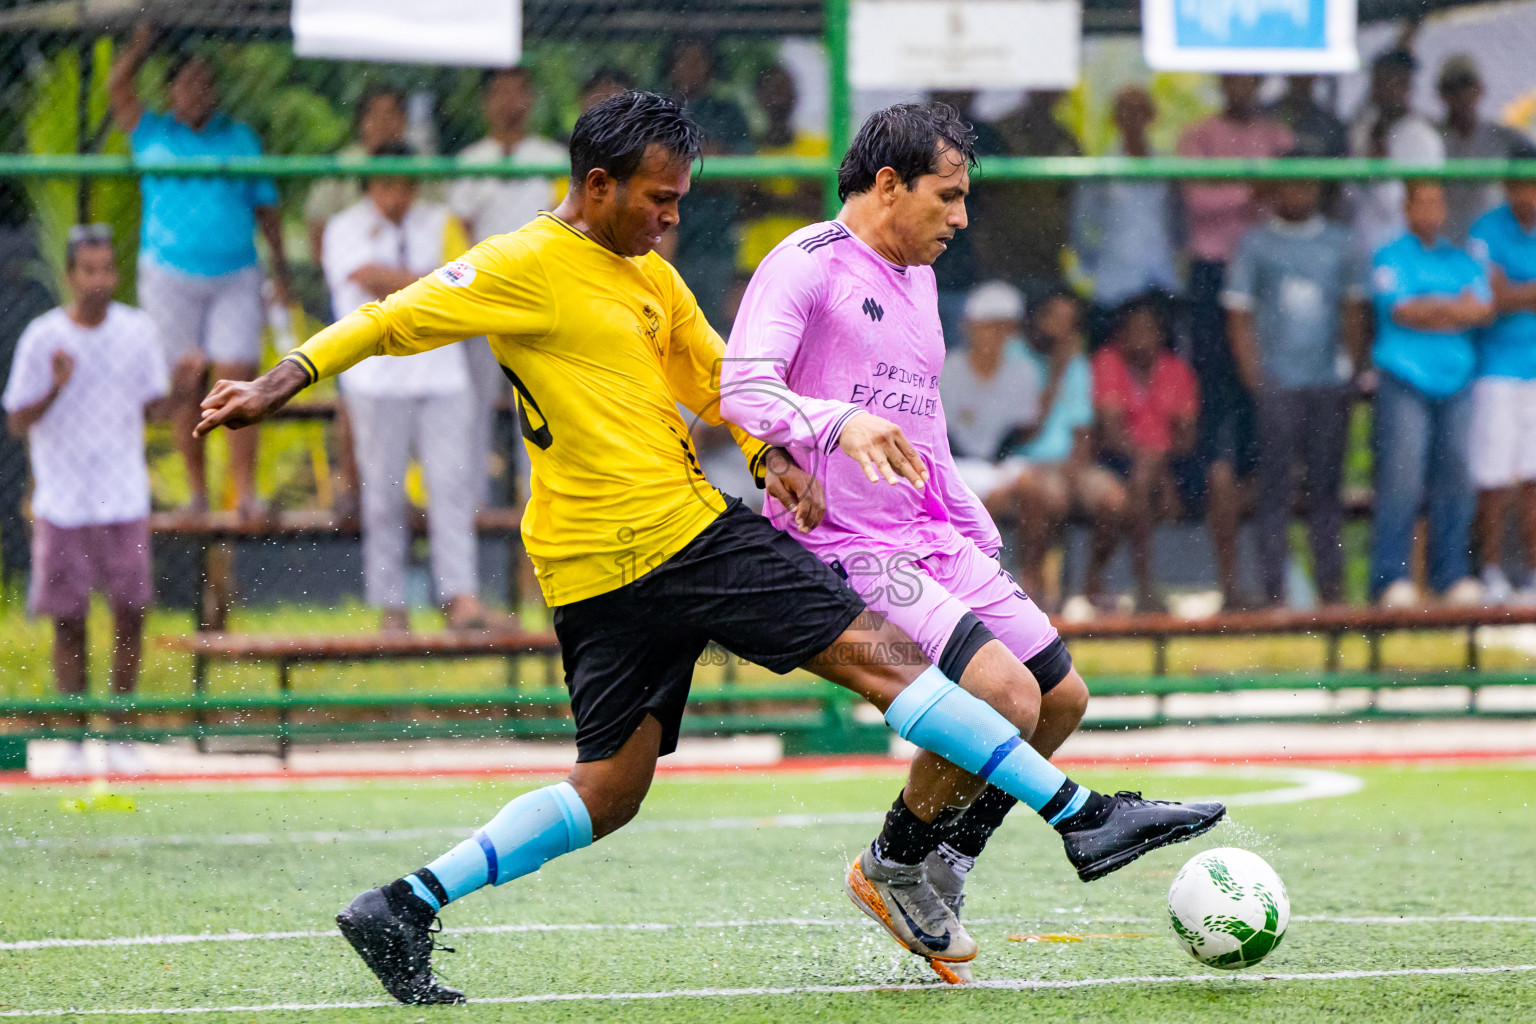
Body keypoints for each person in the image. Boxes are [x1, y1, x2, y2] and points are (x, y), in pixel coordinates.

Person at [195, 91, 1223, 1004]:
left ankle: (405, 903)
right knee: (889, 660)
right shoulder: (522, 264)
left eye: (679, 200)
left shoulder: (650, 275)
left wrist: (766, 452)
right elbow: (389, 317)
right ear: (594, 185)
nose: (672, 218)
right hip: (674, 534)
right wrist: (278, 379)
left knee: (611, 788)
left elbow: (715, 378)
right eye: (657, 198)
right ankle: (1082, 812)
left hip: (595, 564)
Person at [722, 102, 1221, 984]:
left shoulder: (917, 275)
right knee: (1006, 699)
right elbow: (745, 393)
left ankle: (944, 866)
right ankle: (889, 866)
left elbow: (923, 416)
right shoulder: (803, 264)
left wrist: (965, 521)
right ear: (887, 185)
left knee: (1061, 697)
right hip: (847, 539)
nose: (962, 218)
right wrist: (839, 425)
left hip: (929, 535)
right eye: (947, 197)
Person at [2, 226, 169, 777]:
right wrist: (54, 387)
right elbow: (17, 420)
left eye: (107, 269)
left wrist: (189, 387)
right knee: (68, 620)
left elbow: (155, 411)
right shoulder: (41, 338)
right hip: (63, 500)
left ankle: (120, 732)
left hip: (123, 495)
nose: (99, 281)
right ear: (71, 275)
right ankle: (73, 736)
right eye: (88, 270)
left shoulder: (138, 331)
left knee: (131, 613)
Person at [107, 22, 290, 521]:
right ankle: (196, 496)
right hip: (169, 273)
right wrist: (143, 40)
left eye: (205, 82)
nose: (197, 91)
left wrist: (281, 268)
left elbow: (267, 210)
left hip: (236, 272)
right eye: (186, 82)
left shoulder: (241, 139)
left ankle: (245, 495)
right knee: (185, 380)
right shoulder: (152, 133)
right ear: (170, 90)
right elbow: (116, 88)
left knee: (239, 376)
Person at [322, 143, 493, 633]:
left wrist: (397, 283)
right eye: (384, 183)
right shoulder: (344, 227)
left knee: (451, 485)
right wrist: (426, 285)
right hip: (375, 378)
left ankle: (459, 596)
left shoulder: (441, 221)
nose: (395, 193)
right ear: (369, 185)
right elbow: (366, 279)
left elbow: (464, 291)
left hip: (442, 374)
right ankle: (391, 603)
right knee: (383, 492)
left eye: (403, 183)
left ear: (415, 184)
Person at [1222, 170, 1369, 607]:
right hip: (1277, 386)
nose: (1298, 191)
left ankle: (1331, 589)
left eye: (1306, 183)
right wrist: (1255, 376)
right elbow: (1239, 312)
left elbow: (1355, 308)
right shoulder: (1256, 244)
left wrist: (1347, 370)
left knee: (1326, 490)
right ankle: (1276, 593)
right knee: (1274, 490)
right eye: (1289, 183)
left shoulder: (1341, 243)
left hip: (1327, 383)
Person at [1177, 75, 1293, 610]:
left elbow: (1292, 191)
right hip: (1214, 278)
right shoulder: (1197, 136)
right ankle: (1227, 578)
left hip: (1270, 278)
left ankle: (1274, 579)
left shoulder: (1278, 135)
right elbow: (1201, 200)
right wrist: (1256, 188)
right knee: (1218, 418)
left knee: (1267, 421)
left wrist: (1243, 187)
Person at [1369, 181, 1492, 608]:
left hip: (1455, 380)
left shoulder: (1460, 259)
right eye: (1422, 202)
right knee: (1401, 479)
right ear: (1406, 208)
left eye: (1437, 201)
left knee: (1456, 478)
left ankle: (1451, 576)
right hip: (1405, 379)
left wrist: (1430, 306)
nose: (1431, 210)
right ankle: (1391, 578)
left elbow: (1481, 309)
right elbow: (1401, 310)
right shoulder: (1389, 256)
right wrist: (1451, 309)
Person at [450, 67, 568, 510]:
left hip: (540, 296)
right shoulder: (470, 162)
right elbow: (458, 229)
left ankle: (538, 498)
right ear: (485, 102)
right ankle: (473, 500)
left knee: (539, 404)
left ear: (532, 98)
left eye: (519, 91)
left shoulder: (554, 157)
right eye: (499, 92)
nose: (509, 101)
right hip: (484, 295)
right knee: (474, 403)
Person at [1014, 289, 1124, 610]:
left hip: (1067, 464)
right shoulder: (1015, 357)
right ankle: (1032, 582)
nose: (1062, 330)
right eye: (1055, 320)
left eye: (1070, 323)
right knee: (1052, 498)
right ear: (1036, 319)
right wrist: (1057, 372)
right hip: (1025, 462)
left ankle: (1092, 584)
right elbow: (1027, 428)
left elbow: (1082, 429)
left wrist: (1077, 467)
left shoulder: (1077, 366)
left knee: (1113, 499)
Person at [1093, 296, 1200, 612]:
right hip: (1116, 461)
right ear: (1120, 334)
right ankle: (1143, 586)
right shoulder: (1108, 362)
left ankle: (1142, 585)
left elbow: (1187, 436)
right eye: (1133, 329)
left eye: (1148, 329)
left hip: (1170, 463)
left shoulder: (1177, 370)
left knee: (1217, 481)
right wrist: (1153, 463)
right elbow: (1112, 435)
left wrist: (1158, 466)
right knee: (1133, 483)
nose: (1141, 336)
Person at [1466, 179, 1536, 603]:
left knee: (1533, 478)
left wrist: (1516, 291)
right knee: (1492, 477)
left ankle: (1532, 575)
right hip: (1496, 369)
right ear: (1509, 189)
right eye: (1522, 186)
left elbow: (1509, 293)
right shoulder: (1486, 230)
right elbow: (1492, 299)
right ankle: (1489, 571)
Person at [1070, 84, 1181, 345]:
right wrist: (1094, 266)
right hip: (1112, 285)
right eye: (1125, 111)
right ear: (1115, 118)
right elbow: (1082, 223)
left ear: (1150, 116)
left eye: (1139, 111)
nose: (1133, 118)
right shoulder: (1100, 167)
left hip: (1160, 281)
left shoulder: (1167, 166)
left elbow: (1177, 222)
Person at [664, 36, 751, 327]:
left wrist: (686, 158)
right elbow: (657, 161)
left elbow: (740, 171)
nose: (691, 67)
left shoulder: (728, 111)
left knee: (713, 323)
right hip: (669, 231)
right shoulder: (661, 107)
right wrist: (705, 156)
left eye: (698, 59)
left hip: (717, 236)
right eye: (683, 59)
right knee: (670, 316)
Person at [976, 91, 1080, 291]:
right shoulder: (1001, 131)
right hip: (999, 262)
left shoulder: (1065, 140)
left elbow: (1072, 202)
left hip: (1046, 262)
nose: (1045, 92)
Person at [1348, 49, 1445, 263]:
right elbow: (1350, 195)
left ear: (1408, 87)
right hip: (1360, 247)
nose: (1384, 90)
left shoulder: (1423, 137)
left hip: (1403, 253)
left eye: (1394, 82)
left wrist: (1380, 162)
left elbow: (1416, 204)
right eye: (1379, 81)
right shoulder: (1362, 130)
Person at [928, 91, 1009, 346]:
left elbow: (997, 205)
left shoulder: (985, 137)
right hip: (916, 270)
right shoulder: (911, 134)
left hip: (969, 273)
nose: (953, 92)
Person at [305, 86, 411, 268]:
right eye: (375, 114)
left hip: (412, 254)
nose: (383, 122)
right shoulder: (339, 167)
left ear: (404, 120)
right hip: (352, 255)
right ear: (361, 121)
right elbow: (317, 223)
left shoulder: (419, 165)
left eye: (391, 113)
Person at [736, 64, 827, 274]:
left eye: (784, 90)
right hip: (755, 262)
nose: (778, 98)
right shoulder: (748, 151)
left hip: (810, 259)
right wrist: (794, 199)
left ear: (796, 96)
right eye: (771, 90)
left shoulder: (819, 147)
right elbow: (744, 206)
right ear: (758, 97)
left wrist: (767, 199)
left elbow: (823, 205)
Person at [1437, 55, 1536, 244]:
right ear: (1441, 93)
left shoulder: (1503, 137)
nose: (1460, 93)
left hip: (1493, 246)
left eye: (1466, 84)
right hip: (1444, 247)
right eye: (1452, 86)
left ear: (1480, 89)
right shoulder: (1432, 137)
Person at [1265, 75, 1348, 159]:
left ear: (1313, 78)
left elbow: (1335, 156)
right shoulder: (1268, 115)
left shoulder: (1327, 123)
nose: (1300, 81)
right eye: (1297, 76)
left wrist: (1298, 143)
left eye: (1305, 77)